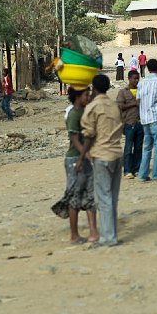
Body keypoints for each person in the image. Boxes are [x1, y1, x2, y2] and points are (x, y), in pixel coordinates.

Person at [78, 74, 124, 248]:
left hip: (102, 155)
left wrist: (82, 157)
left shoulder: (93, 107)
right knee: (112, 197)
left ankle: (108, 238)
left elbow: (88, 135)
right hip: (117, 154)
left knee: (103, 198)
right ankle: (111, 234)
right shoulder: (114, 105)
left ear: (94, 88)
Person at [52, 87, 99, 245]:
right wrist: (85, 156)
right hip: (75, 160)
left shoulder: (85, 112)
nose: (88, 97)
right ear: (78, 97)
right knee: (75, 198)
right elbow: (75, 140)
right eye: (86, 94)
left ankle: (93, 232)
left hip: (85, 159)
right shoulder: (73, 115)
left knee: (90, 196)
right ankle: (74, 235)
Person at [116, 70, 143, 179]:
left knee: (138, 147)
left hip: (140, 123)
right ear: (129, 79)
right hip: (128, 123)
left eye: (138, 78)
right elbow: (120, 106)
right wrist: (134, 103)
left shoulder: (141, 90)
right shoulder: (123, 92)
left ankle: (136, 168)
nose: (136, 80)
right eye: (134, 78)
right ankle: (127, 170)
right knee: (128, 148)